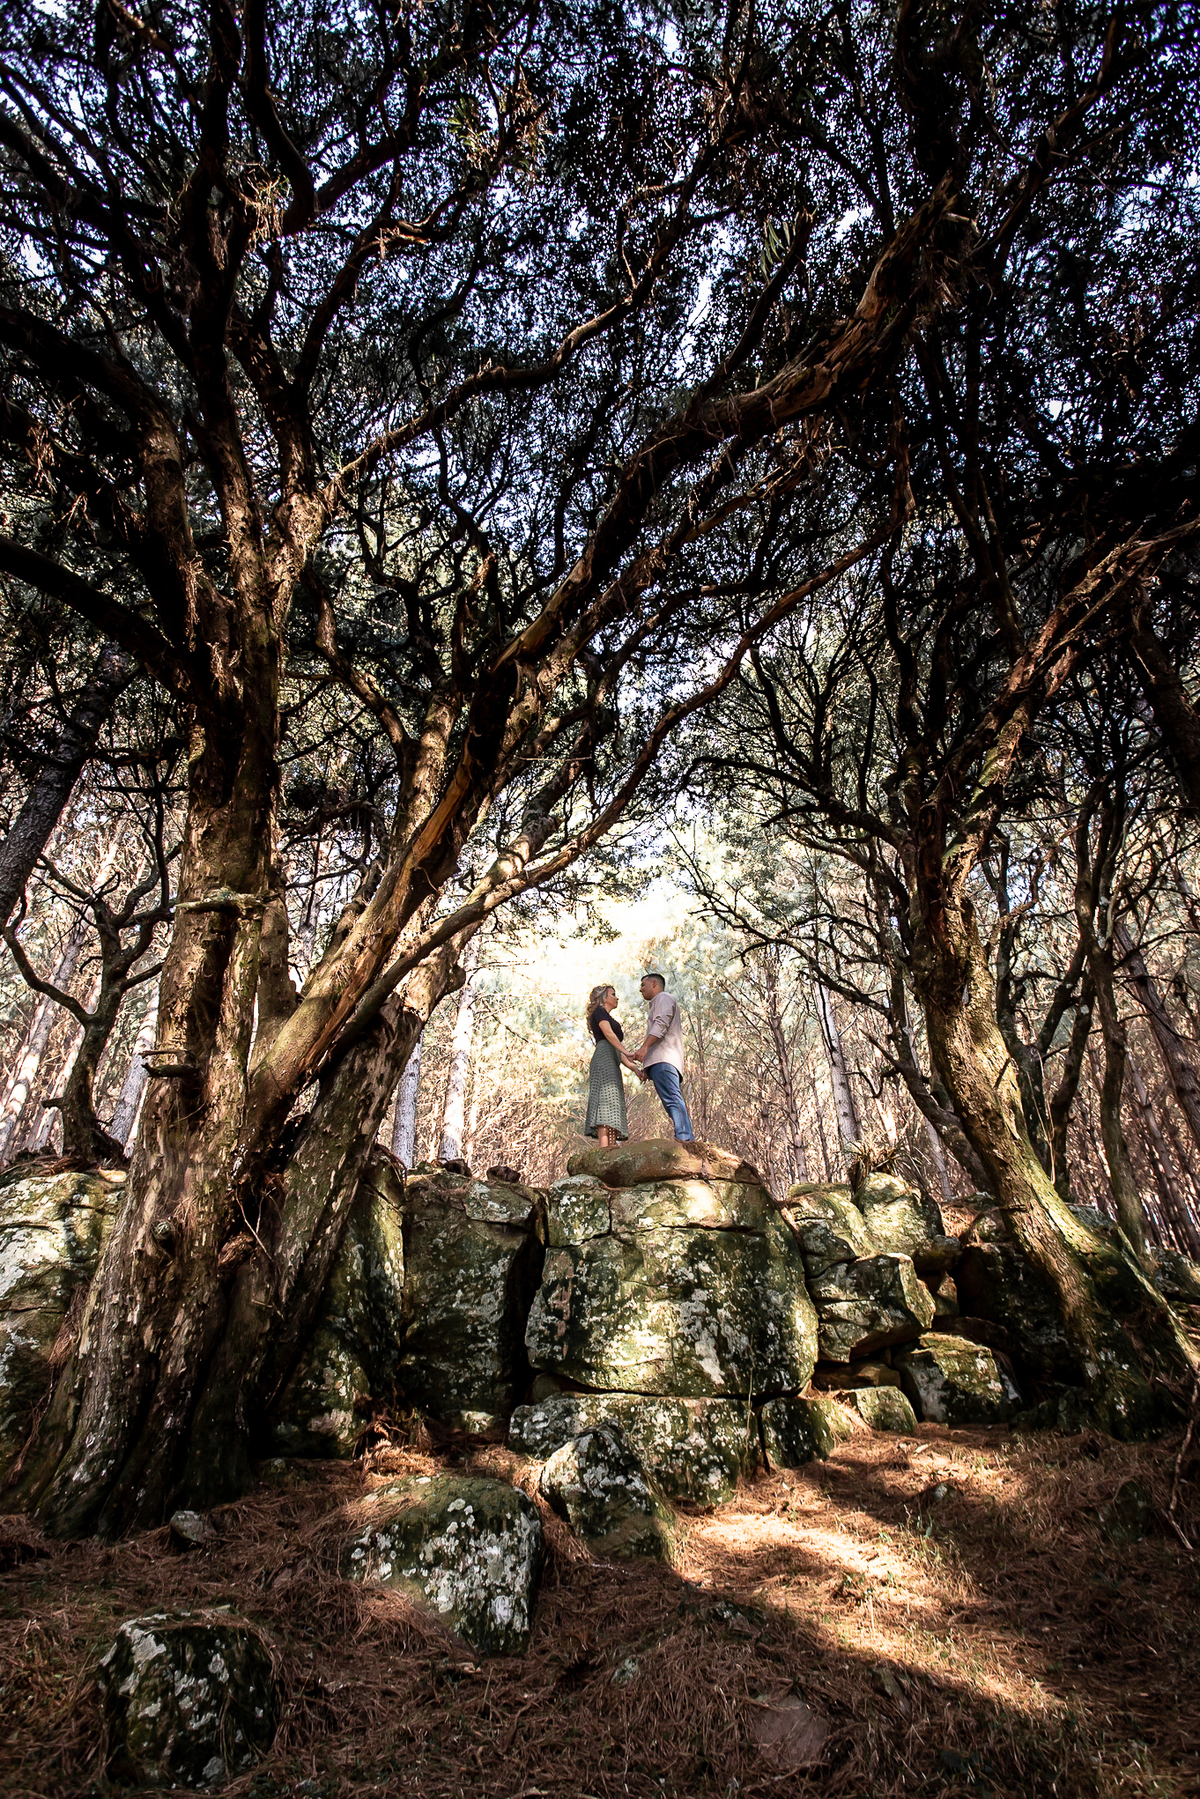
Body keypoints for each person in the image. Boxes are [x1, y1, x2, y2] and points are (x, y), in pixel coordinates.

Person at [628, 971, 696, 1143]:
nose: (640, 989)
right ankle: (685, 1137)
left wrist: (644, 1048)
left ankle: (685, 1139)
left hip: (665, 1060)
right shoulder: (658, 1002)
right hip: (661, 1061)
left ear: (654, 984)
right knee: (671, 1100)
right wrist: (647, 1069)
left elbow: (661, 1024)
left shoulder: (663, 998)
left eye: (643, 985)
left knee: (673, 1099)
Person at [583, 983, 640, 1148]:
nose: (617, 998)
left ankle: (612, 1146)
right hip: (603, 1059)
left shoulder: (609, 1017)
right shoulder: (599, 1012)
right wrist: (627, 1051)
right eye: (613, 994)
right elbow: (608, 1034)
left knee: (614, 1100)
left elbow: (618, 1052)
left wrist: (635, 1068)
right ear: (603, 997)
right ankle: (604, 1148)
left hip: (612, 1059)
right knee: (604, 1100)